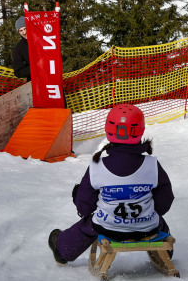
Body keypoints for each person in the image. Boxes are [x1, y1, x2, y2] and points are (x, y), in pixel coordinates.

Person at [48, 104, 175, 264]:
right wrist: (148, 212)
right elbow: (165, 199)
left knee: (88, 225)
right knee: (160, 223)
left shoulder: (97, 166)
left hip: (109, 228)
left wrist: (81, 202)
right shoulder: (152, 165)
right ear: (140, 130)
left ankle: (62, 251)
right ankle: (165, 255)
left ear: (109, 130)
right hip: (146, 227)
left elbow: (84, 205)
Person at [12, 16, 31, 80]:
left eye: (25, 28)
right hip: (34, 81)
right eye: (21, 30)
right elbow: (18, 72)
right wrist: (34, 68)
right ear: (18, 32)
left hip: (51, 77)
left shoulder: (42, 39)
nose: (24, 32)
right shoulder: (18, 49)